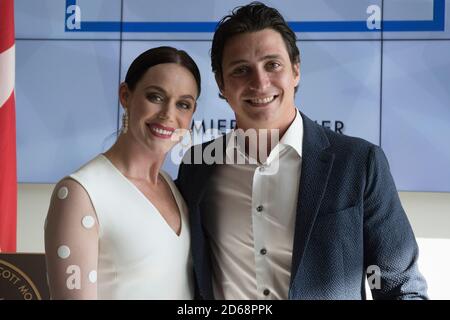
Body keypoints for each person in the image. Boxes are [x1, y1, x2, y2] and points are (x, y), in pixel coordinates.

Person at [176, 2, 428, 300]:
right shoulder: (196, 166)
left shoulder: (358, 164)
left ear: (295, 70)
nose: (260, 82)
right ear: (221, 84)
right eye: (241, 70)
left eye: (273, 65)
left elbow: (400, 288)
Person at [45, 46, 201, 299]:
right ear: (125, 95)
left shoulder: (174, 188)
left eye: (183, 104)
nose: (168, 115)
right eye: (156, 97)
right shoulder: (80, 192)